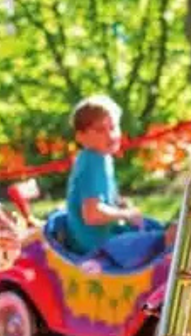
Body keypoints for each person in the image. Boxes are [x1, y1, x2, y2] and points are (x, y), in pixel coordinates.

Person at [63, 95, 169, 268]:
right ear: (81, 137)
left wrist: (119, 205)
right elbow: (92, 214)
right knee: (167, 238)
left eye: (113, 127)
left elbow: (101, 199)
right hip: (98, 245)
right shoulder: (93, 161)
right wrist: (126, 215)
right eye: (100, 130)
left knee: (158, 227)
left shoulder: (101, 158)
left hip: (107, 236)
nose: (110, 135)